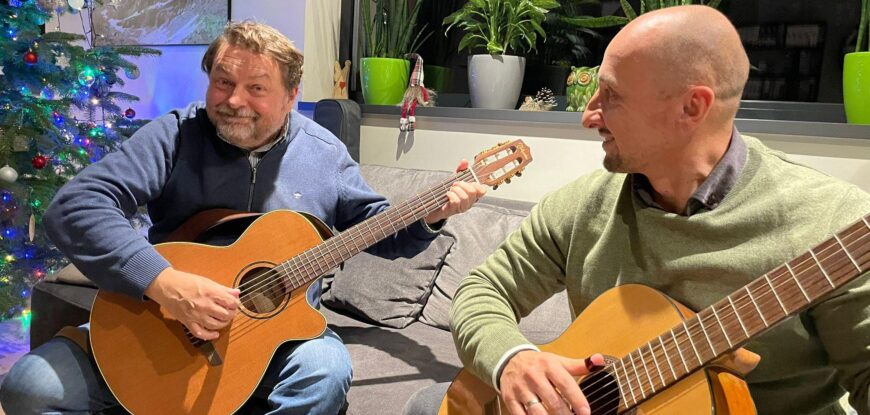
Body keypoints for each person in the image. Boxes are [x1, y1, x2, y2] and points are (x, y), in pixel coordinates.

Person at [0, 21, 485, 414]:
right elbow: (76, 207)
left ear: (291, 96)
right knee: (30, 388)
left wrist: (430, 215)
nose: (234, 101)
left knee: (325, 373)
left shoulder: (325, 153)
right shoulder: (175, 136)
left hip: (279, 338)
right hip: (163, 324)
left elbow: (376, 228)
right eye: (223, 83)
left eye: (256, 88)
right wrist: (166, 283)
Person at [404, 5, 870, 415]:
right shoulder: (583, 205)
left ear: (692, 107)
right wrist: (512, 359)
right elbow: (483, 290)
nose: (588, 116)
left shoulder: (832, 222)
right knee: (428, 404)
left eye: (611, 95)